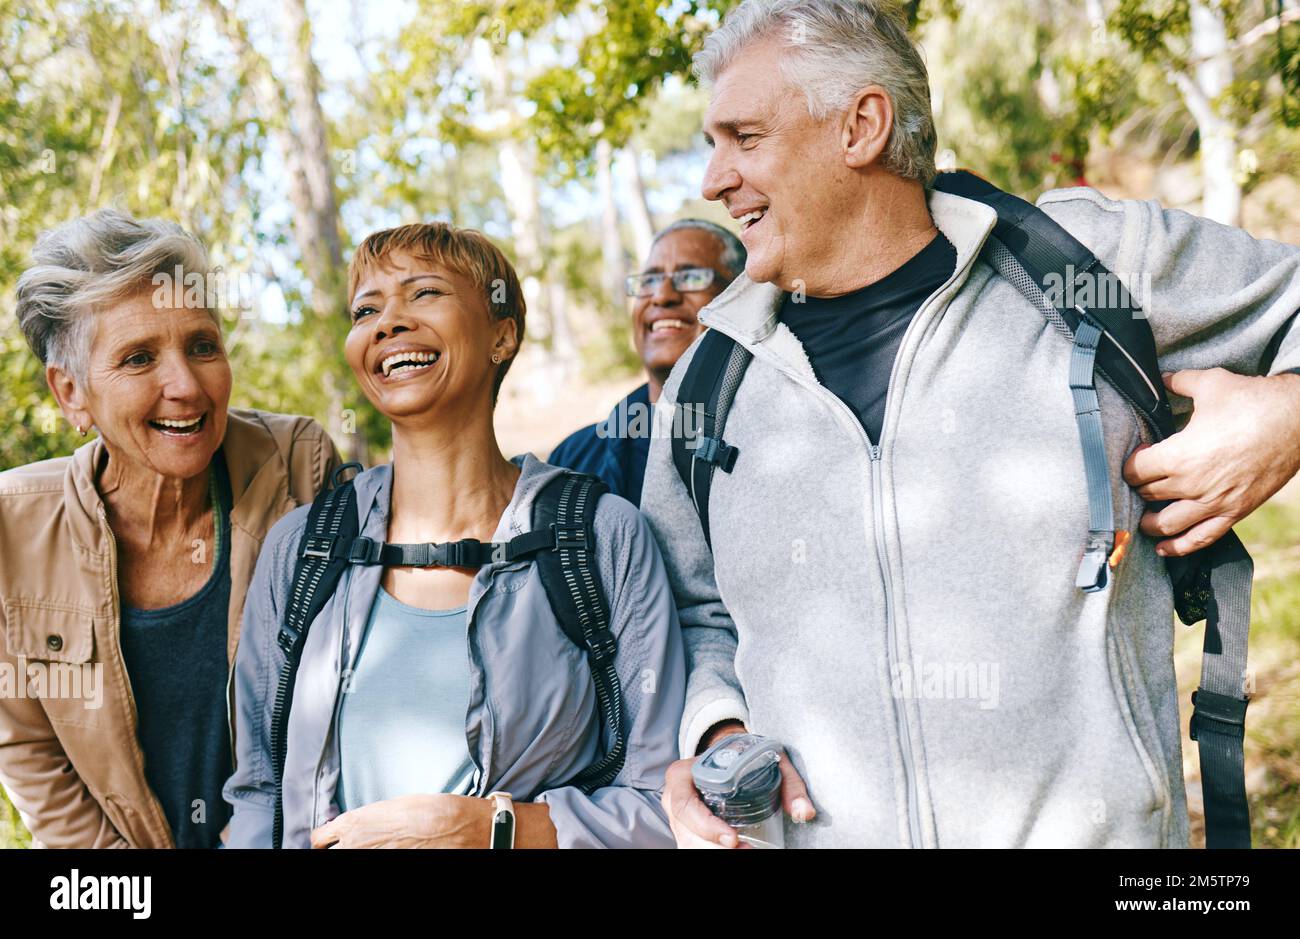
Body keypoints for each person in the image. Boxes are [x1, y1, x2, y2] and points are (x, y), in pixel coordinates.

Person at [643, 0, 1300, 848]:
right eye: (712, 145)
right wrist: (718, 733)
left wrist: (1286, 416)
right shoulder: (709, 378)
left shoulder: (1082, 263)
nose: (713, 181)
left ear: (862, 126)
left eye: (745, 137)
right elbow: (695, 612)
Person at [223, 222, 686, 849]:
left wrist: (494, 828)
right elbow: (257, 797)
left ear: (502, 335)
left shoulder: (600, 538)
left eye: (424, 294)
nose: (388, 322)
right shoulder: (304, 547)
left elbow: (659, 808)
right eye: (367, 309)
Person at [0, 209, 341, 848]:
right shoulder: (13, 528)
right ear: (70, 393)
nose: (185, 385)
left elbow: (349, 700)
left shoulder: (297, 466)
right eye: (138, 358)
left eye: (202, 345)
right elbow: (32, 754)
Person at [547, 220, 745, 505]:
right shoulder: (571, 461)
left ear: (739, 298)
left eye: (690, 277)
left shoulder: (774, 438)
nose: (662, 295)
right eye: (649, 280)